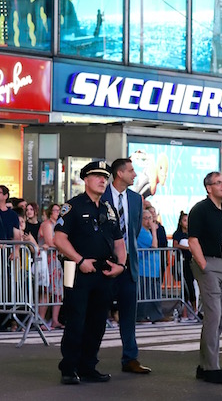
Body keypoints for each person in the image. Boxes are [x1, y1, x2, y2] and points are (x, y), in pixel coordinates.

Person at [54, 160, 127, 385]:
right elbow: (59, 238)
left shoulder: (108, 209)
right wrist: (80, 260)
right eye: (97, 176)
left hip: (103, 272)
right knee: (76, 320)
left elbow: (119, 241)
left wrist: (121, 265)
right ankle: (69, 368)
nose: (102, 180)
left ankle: (88, 366)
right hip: (78, 271)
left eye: (105, 177)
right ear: (85, 179)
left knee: (97, 322)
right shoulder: (73, 206)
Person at [101, 157, 151, 374]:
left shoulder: (135, 199)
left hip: (129, 263)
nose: (135, 174)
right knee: (97, 311)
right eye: (131, 170)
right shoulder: (101, 196)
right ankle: (87, 359)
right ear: (119, 173)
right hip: (104, 262)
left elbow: (134, 228)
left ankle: (130, 357)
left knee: (129, 312)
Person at [187, 172, 222, 384]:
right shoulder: (200, 209)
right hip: (208, 263)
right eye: (219, 183)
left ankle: (205, 365)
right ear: (208, 187)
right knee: (213, 316)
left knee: (221, 316)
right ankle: (211, 367)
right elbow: (193, 239)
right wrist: (203, 265)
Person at [39, 204, 64, 330]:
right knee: (47, 290)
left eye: (59, 210)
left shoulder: (60, 224)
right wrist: (62, 245)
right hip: (48, 260)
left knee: (58, 291)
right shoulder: (47, 224)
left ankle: (55, 319)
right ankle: (41, 319)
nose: (57, 212)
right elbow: (50, 241)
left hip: (58, 259)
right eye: (55, 210)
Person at [137, 210, 164, 323]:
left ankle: (156, 315)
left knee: (155, 293)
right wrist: (154, 231)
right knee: (144, 294)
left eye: (150, 218)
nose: (149, 221)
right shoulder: (141, 232)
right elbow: (154, 245)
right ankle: (141, 316)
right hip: (144, 268)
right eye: (146, 218)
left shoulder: (147, 232)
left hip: (154, 269)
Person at [172, 211, 197, 321]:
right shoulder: (178, 234)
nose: (187, 223)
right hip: (182, 262)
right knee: (186, 287)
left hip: (192, 262)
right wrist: (187, 248)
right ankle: (185, 313)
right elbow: (175, 244)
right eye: (185, 220)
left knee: (192, 287)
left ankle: (195, 310)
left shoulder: (192, 233)